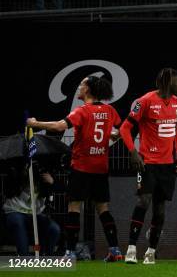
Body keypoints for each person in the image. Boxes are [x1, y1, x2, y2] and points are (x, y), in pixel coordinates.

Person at [26, 76, 123, 261]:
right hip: (101, 168)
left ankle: (70, 252)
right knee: (103, 209)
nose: (79, 87)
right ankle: (115, 250)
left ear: (88, 89)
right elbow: (119, 132)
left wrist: (35, 124)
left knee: (74, 207)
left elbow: (59, 126)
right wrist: (111, 135)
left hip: (82, 167)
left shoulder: (82, 111)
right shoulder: (110, 110)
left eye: (81, 84)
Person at [119, 68, 177, 265]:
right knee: (143, 202)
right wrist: (133, 152)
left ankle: (150, 252)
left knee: (160, 210)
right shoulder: (145, 101)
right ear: (167, 82)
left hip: (167, 166)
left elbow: (174, 130)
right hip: (147, 162)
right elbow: (125, 128)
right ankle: (131, 249)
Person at [3, 163, 61, 256]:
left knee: (54, 229)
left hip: (36, 214)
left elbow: (62, 189)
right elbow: (8, 189)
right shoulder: (16, 171)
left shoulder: (44, 176)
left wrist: (52, 181)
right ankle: (23, 256)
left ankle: (45, 256)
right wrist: (22, 176)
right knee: (18, 222)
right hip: (15, 211)